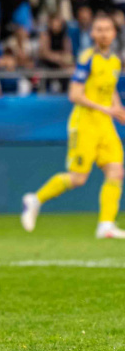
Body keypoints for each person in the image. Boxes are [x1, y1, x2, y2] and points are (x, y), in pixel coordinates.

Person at [21, 15, 125, 239]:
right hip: (84, 123)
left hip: (105, 125)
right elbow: (74, 94)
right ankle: (35, 200)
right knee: (78, 178)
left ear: (114, 33)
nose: (104, 33)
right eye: (100, 29)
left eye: (108, 29)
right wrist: (106, 109)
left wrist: (118, 110)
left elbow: (111, 91)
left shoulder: (115, 61)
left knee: (116, 171)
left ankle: (106, 225)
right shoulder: (87, 59)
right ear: (93, 34)